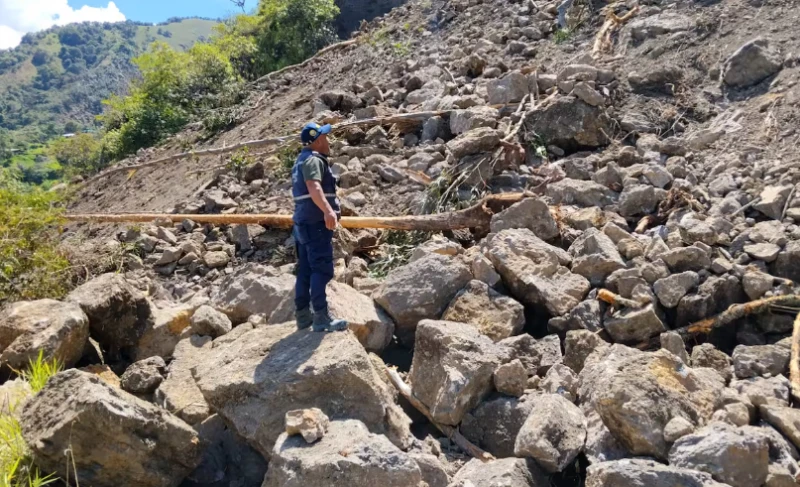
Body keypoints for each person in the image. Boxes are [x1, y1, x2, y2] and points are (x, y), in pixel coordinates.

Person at [291, 122, 348, 332]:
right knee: (321, 269)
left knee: (305, 269)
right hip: (315, 224)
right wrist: (328, 210)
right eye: (325, 136)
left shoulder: (300, 160)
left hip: (302, 223)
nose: (328, 140)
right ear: (317, 140)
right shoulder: (314, 160)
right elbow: (314, 187)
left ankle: (303, 316)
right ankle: (321, 318)